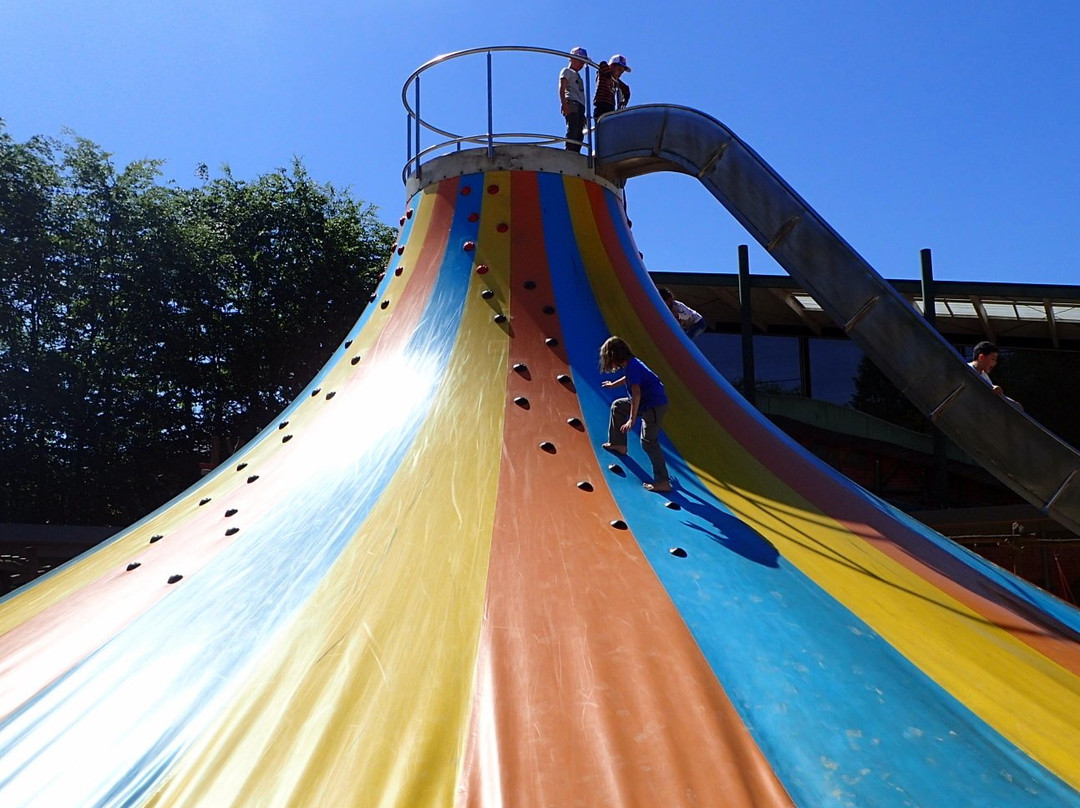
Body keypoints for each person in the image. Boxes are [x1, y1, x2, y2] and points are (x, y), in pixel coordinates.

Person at [599, 336, 671, 492]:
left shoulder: (632, 367)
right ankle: (619, 444)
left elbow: (636, 393)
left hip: (654, 406)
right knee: (618, 406)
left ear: (615, 357)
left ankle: (663, 481)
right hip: (647, 402)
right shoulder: (632, 364)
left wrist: (631, 419)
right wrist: (613, 384)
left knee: (648, 441)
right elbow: (629, 379)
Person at [968, 340, 1023, 410]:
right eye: (993, 359)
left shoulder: (983, 375)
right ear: (981, 357)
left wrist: (1013, 404)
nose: (995, 363)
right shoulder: (967, 370)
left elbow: (993, 391)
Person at [558, 46, 589, 153]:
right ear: (571, 58)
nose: (581, 64)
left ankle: (576, 151)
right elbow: (562, 87)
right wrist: (564, 103)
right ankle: (569, 150)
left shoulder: (578, 76)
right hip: (572, 102)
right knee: (573, 128)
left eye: (583, 62)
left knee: (579, 131)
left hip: (580, 105)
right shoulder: (566, 71)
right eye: (580, 60)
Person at [593, 53, 631, 119]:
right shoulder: (603, 73)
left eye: (622, 72)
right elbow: (602, 64)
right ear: (611, 66)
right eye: (619, 70)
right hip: (601, 105)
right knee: (601, 123)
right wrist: (608, 77)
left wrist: (625, 101)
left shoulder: (616, 81)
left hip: (610, 106)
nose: (620, 74)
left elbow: (626, 88)